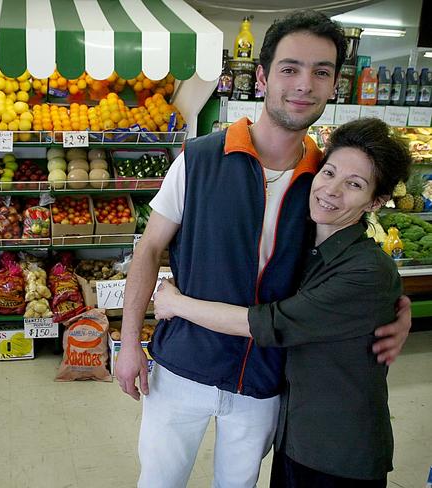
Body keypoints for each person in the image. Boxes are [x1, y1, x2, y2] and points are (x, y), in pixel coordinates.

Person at [115, 10, 412, 488]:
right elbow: (149, 248)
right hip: (182, 369)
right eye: (290, 68)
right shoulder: (200, 159)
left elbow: (347, 272)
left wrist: (398, 311)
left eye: (321, 72)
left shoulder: (325, 181)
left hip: (265, 382)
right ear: (262, 76)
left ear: (335, 84)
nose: (304, 85)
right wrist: (129, 342)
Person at [153, 117, 410, 487]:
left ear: (377, 201)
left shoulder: (366, 271)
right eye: (329, 173)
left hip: (338, 450)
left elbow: (270, 323)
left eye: (354, 184)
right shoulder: (312, 247)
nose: (331, 191)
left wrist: (176, 303)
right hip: (297, 438)